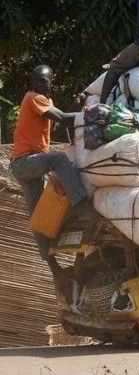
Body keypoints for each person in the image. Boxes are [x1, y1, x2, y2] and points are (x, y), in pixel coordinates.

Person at [10, 65, 88, 261]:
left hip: (29, 167)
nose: (39, 84)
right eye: (36, 80)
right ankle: (80, 203)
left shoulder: (46, 101)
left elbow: (57, 126)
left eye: (43, 81)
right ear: (32, 83)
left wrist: (75, 107)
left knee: (37, 215)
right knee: (59, 159)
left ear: (51, 82)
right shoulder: (32, 98)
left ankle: (48, 258)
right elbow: (61, 117)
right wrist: (89, 116)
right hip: (24, 162)